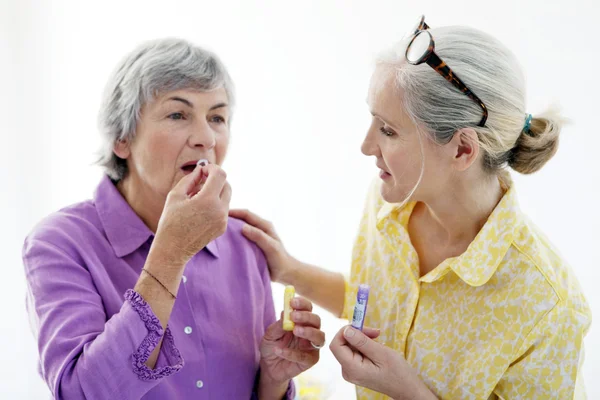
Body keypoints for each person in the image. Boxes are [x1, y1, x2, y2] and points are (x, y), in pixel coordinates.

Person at [232, 16, 591, 399]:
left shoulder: (547, 306)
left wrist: (408, 391)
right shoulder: (389, 202)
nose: (366, 146)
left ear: (462, 149)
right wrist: (290, 270)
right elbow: (373, 304)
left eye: (388, 130)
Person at [23, 38, 325, 400]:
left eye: (217, 117)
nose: (206, 138)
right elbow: (81, 394)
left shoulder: (245, 245)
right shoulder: (59, 243)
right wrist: (170, 254)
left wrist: (273, 381)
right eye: (178, 115)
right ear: (122, 138)